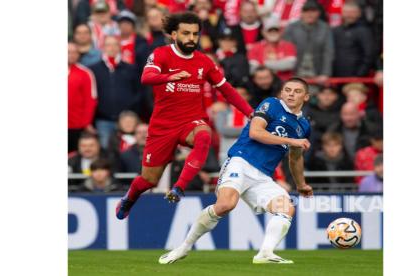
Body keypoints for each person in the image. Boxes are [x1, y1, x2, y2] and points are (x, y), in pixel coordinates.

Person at [158, 77, 313, 264]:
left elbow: (295, 157)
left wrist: (301, 184)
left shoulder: (303, 126)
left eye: (297, 91)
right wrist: (290, 141)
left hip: (263, 176)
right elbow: (256, 132)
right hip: (240, 161)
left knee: (286, 208)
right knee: (225, 205)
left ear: (306, 97)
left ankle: (265, 253)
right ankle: (183, 247)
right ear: (281, 93)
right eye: (287, 90)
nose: (291, 94)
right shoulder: (271, 104)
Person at [115, 12, 254, 219]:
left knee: (204, 135)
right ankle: (129, 197)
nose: (191, 38)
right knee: (149, 180)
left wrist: (250, 113)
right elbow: (146, 77)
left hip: (191, 121)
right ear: (173, 34)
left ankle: (179, 187)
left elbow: (227, 90)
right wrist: (170, 76)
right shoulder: (161, 54)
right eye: (186, 33)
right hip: (162, 126)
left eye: (195, 34)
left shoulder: (204, 61)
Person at [89, 35, 142, 149]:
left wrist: (132, 112)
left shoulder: (131, 69)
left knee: (127, 150)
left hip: (127, 120)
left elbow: (138, 92)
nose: (112, 48)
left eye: (115, 45)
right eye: (108, 45)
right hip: (103, 120)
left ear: (119, 47)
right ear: (103, 47)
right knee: (105, 149)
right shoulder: (94, 69)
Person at [283, 0, 334, 85]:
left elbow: (328, 52)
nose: (310, 14)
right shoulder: (292, 28)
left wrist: (325, 73)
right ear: (301, 13)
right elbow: (286, 51)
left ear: (319, 13)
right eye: (306, 11)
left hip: (317, 73)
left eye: (313, 11)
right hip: (296, 72)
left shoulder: (325, 28)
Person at [68, 42, 98, 153]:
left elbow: (91, 100)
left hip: (76, 125)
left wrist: (86, 123)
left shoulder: (85, 73)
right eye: (68, 52)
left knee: (74, 156)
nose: (71, 55)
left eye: (74, 52)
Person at [332, 1, 374, 77]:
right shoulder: (335, 31)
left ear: (359, 14)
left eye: (352, 12)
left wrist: (359, 75)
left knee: (354, 90)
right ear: (342, 13)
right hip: (335, 78)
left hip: (356, 79)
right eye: (346, 12)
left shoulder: (365, 31)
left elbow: (369, 55)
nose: (349, 15)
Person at [117, 10, 150, 76]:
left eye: (128, 23)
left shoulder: (141, 42)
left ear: (133, 26)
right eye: (122, 23)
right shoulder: (113, 40)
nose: (124, 26)